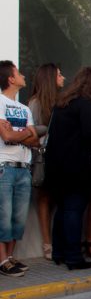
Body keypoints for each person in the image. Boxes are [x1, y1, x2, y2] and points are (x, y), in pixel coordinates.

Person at [45, 67, 91, 270]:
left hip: (56, 166)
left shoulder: (62, 104)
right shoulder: (86, 104)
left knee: (63, 209)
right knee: (74, 210)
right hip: (77, 166)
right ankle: (73, 256)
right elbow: (90, 133)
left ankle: (58, 252)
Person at [0, 61, 38, 277]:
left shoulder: (24, 108)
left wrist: (19, 134)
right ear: (10, 79)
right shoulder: (0, 102)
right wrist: (25, 133)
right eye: (19, 73)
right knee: (3, 215)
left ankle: (10, 256)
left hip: (24, 167)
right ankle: (3, 260)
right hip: (4, 166)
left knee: (18, 217)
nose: (23, 75)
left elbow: (34, 140)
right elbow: (6, 137)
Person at [28, 63, 65, 260]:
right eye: (59, 75)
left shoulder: (62, 101)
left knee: (55, 199)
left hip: (59, 154)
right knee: (44, 198)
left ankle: (55, 240)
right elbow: (30, 130)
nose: (63, 78)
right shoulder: (36, 102)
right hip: (42, 156)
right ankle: (47, 242)